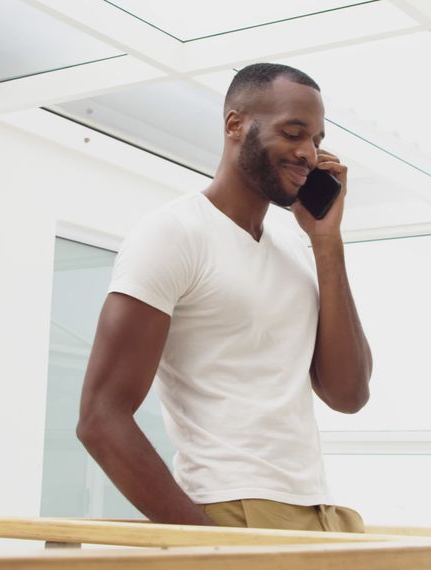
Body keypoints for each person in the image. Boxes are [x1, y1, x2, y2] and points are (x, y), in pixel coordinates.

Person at [75, 63, 372, 532]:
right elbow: (100, 418)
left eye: (317, 139)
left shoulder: (297, 249)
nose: (309, 154)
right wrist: (209, 547)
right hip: (232, 510)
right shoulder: (174, 235)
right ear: (235, 125)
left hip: (319, 511)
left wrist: (326, 242)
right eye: (294, 133)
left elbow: (349, 394)